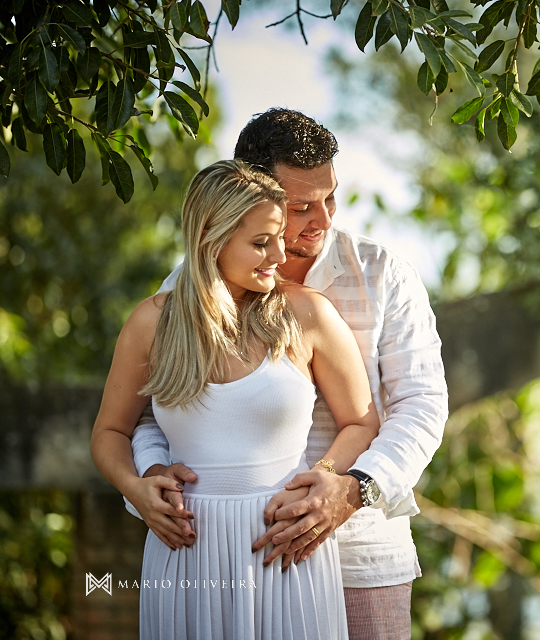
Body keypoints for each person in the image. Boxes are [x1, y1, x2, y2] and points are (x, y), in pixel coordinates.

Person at [128, 109, 449, 638]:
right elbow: (150, 411)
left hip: (363, 554)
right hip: (220, 558)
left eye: (330, 198)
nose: (322, 219)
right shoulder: (188, 289)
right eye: (301, 206)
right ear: (249, 197)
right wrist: (150, 473)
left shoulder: (382, 274)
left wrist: (352, 489)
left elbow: (422, 405)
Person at [91, 160, 381, 638]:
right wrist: (136, 488)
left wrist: (326, 477)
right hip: (186, 552)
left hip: (286, 547)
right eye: (261, 243)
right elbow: (110, 432)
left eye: (278, 239)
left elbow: (361, 422)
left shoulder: (307, 315)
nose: (278, 255)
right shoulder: (151, 324)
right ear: (213, 238)